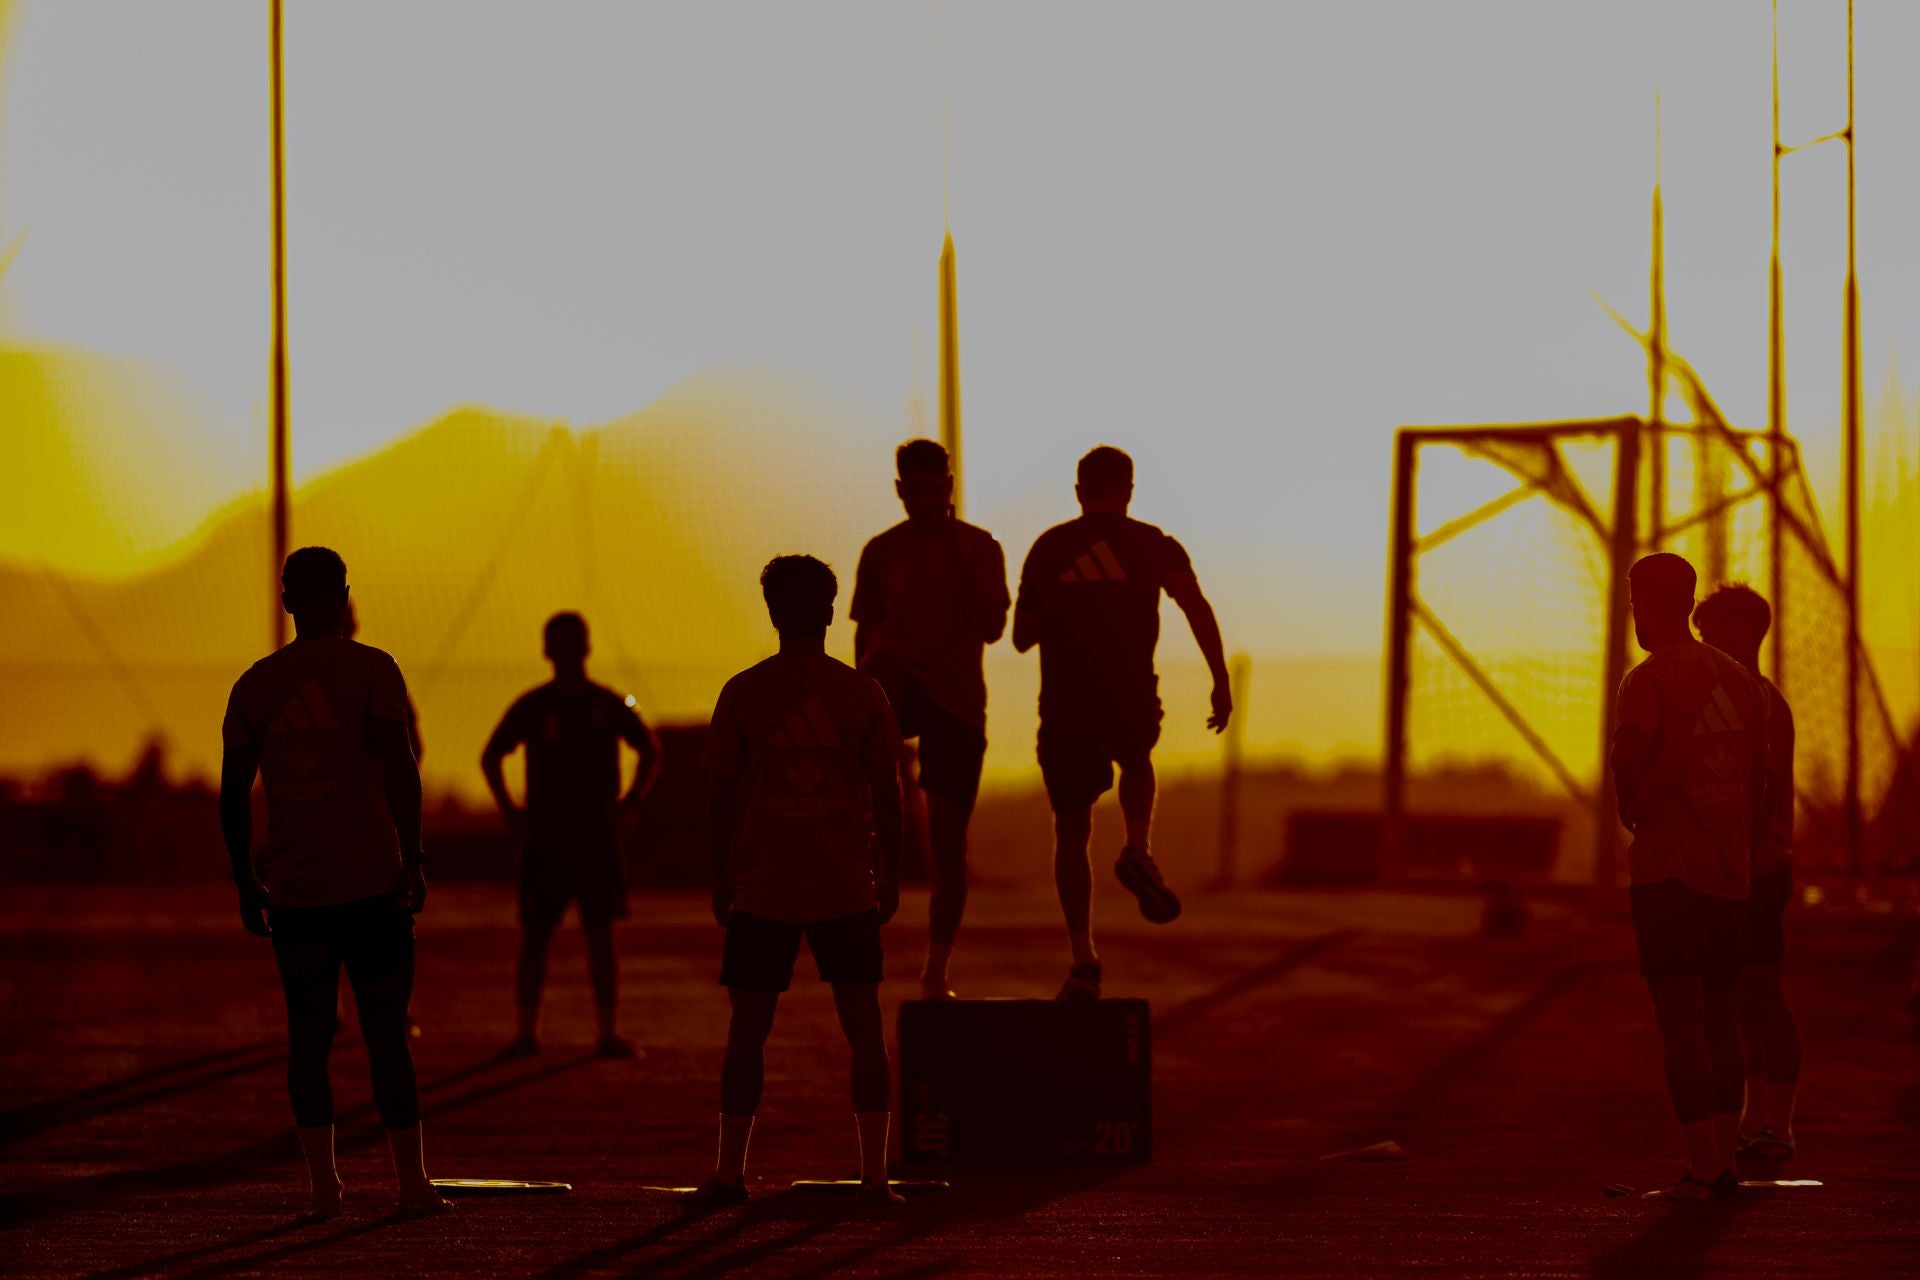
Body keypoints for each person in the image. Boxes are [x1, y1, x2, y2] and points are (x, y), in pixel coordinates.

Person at [219, 546, 446, 1218]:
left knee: (309, 1039)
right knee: (386, 1036)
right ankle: (412, 1186)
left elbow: (233, 795)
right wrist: (414, 858)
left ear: (286, 600)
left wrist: (244, 879)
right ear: (344, 596)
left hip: (298, 895)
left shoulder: (255, 684)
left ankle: (324, 1190)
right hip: (374, 886)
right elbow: (402, 768)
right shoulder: (374, 670)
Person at [693, 555, 906, 1207]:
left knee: (748, 1032)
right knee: (864, 1029)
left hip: (765, 884)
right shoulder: (862, 693)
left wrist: (720, 875)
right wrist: (891, 873)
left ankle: (730, 1174)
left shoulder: (744, 690)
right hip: (845, 883)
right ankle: (874, 1178)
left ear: (772, 612)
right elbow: (889, 794)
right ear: (831, 610)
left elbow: (720, 796)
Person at [1012, 446, 1232, 1000]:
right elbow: (1195, 605)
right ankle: (1137, 846)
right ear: (1129, 490)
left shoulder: (1048, 547)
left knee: (1071, 831)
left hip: (1066, 702)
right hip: (1129, 692)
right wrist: (1220, 678)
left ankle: (1083, 958)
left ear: (1078, 491)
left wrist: (1070, 605)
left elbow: (1021, 637)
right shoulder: (1154, 544)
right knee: (1137, 759)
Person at [1611, 552, 1770, 1201]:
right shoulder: (1741, 682)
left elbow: (1629, 754)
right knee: (1722, 1018)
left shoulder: (1648, 679)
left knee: (1678, 1020)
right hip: (1731, 876)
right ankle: (1726, 1161)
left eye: (1635, 603)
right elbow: (1759, 781)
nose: (1634, 616)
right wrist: (1739, 844)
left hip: (1670, 873)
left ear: (1649, 604)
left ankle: (1703, 1168)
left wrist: (1632, 804)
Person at [850, 439, 1011, 999]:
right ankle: (868, 839)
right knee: (881, 675)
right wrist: (859, 698)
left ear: (950, 487)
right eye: (915, 492)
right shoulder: (881, 551)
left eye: (936, 490)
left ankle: (937, 969)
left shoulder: (979, 547)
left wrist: (967, 583)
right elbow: (865, 630)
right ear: (900, 490)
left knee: (947, 842)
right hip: (898, 688)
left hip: (956, 706)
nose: (926, 501)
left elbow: (995, 629)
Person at [482, 612, 661, 1059]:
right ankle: (526, 1032)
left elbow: (650, 748)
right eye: (558, 642)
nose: (565, 651)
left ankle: (607, 1032)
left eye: (573, 642)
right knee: (536, 936)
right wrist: (510, 811)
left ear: (586, 647)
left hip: (597, 839)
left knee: (601, 936)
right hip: (546, 840)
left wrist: (632, 801)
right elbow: (491, 755)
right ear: (547, 650)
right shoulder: (534, 706)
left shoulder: (607, 703)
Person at [1693, 583, 1801, 1162]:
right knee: (1740, 1000)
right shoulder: (1733, 697)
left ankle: (1777, 1124)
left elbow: (1760, 790)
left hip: (1758, 870)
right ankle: (1755, 1118)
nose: (1705, 641)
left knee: (1763, 995)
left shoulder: (1761, 701)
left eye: (1712, 631)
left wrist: (1736, 856)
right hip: (1735, 868)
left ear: (1744, 632)